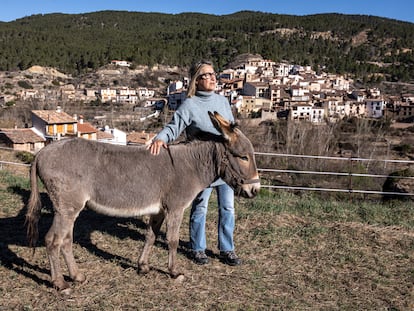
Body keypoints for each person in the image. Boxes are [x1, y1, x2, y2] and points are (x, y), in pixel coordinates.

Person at [147, 60, 241, 266]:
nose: (212, 77)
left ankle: (227, 249)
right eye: (206, 75)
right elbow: (174, 126)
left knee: (228, 208)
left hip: (224, 165)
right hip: (201, 168)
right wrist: (160, 138)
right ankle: (197, 248)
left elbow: (232, 131)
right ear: (196, 81)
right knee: (200, 207)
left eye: (213, 73)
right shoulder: (190, 104)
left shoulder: (223, 102)